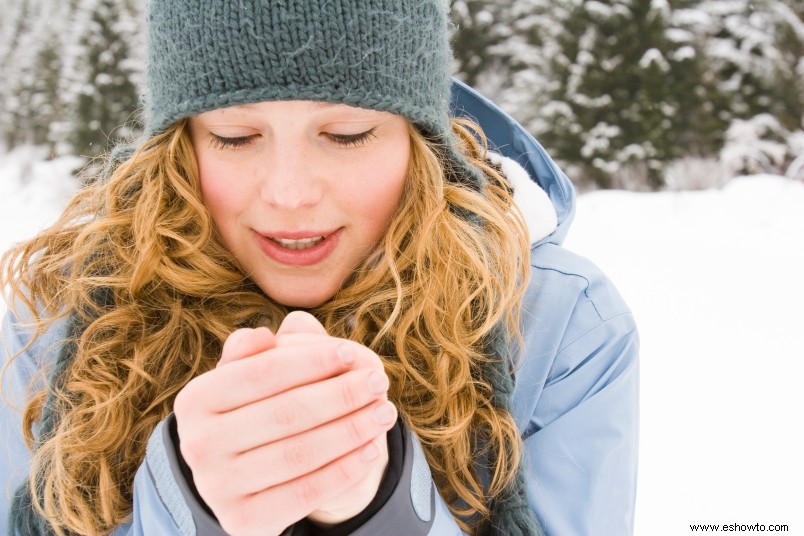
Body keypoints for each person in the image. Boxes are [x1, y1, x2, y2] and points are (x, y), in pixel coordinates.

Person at [0, 1, 639, 535]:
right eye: (234, 136)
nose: (289, 193)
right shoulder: (47, 325)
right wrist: (186, 503)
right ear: (180, 143)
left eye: (347, 134)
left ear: (420, 141)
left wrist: (381, 505)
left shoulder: (562, 325)